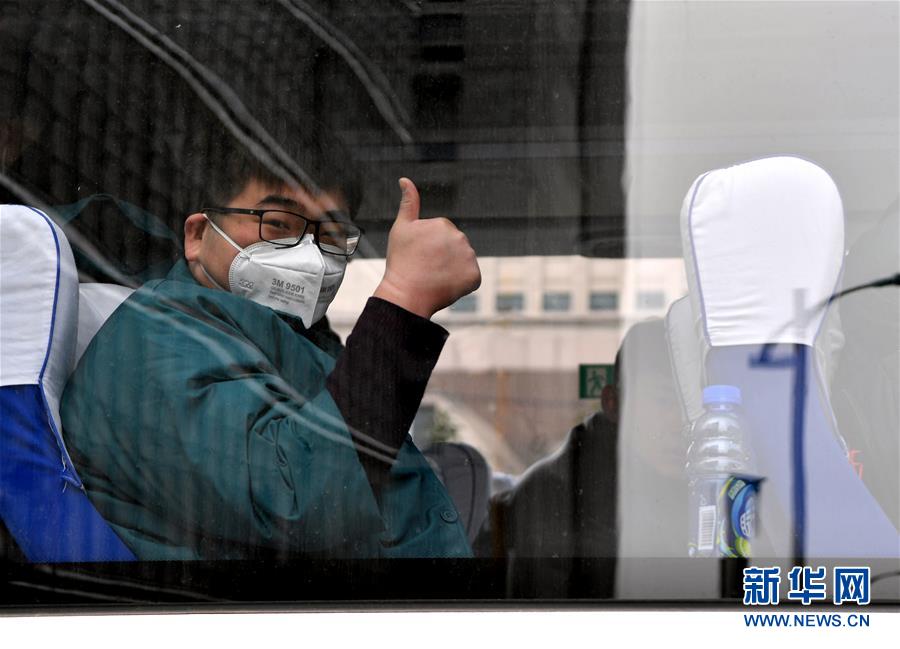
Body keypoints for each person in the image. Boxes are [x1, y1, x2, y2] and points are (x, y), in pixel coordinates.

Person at [60, 135, 482, 560]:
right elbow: (298, 502)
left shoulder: (294, 342)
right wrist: (403, 300)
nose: (310, 254)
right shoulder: (156, 336)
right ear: (198, 235)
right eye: (278, 224)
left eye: (332, 234)